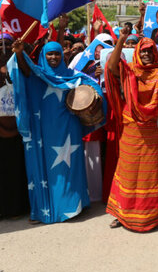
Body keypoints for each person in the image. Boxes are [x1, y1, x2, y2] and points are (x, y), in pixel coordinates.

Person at [8, 40, 104, 223]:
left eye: (57, 54)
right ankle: (49, 208)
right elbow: (25, 71)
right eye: (49, 54)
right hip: (45, 132)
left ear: (63, 55)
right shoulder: (39, 74)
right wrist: (20, 53)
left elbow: (95, 88)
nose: (53, 57)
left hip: (70, 130)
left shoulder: (73, 75)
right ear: (44, 56)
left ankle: (74, 207)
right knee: (52, 174)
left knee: (71, 170)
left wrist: (96, 99)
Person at [105, 27, 158, 231]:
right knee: (128, 171)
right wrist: (121, 39)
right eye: (143, 51)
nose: (146, 54)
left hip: (156, 132)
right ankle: (122, 214)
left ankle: (153, 215)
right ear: (138, 53)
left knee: (153, 174)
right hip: (133, 132)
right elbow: (112, 67)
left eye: (150, 50)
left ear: (155, 53)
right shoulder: (129, 70)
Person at [0, 35, 29, 219]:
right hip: (1, 132)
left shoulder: (16, 67)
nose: (4, 47)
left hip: (19, 129)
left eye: (8, 44)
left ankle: (17, 208)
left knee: (17, 170)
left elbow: (28, 75)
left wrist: (19, 54)